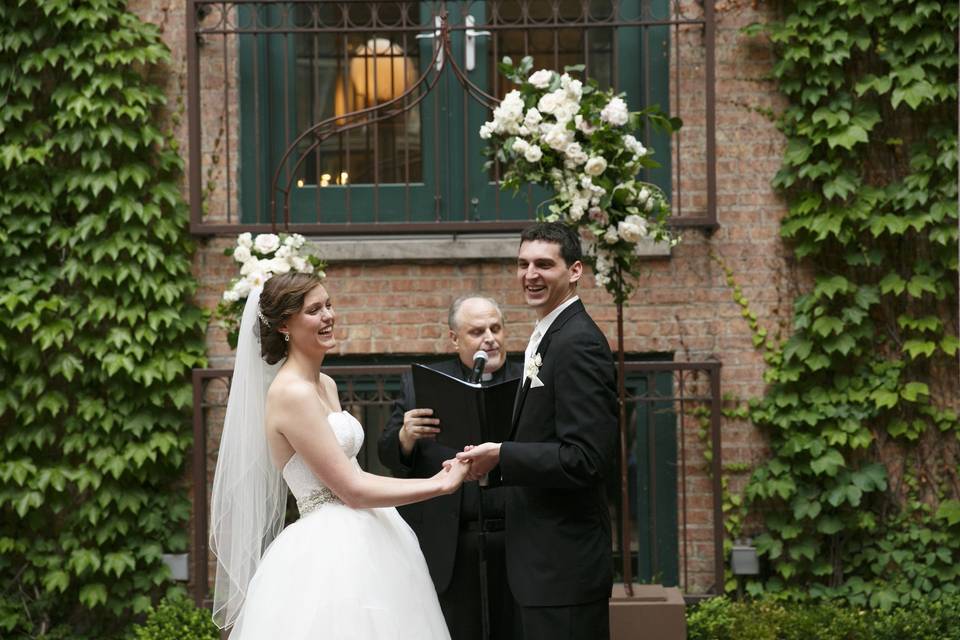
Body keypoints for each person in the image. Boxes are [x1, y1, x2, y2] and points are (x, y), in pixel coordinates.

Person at [209, 272, 471, 639]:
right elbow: (352, 490)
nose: (329, 315)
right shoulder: (291, 394)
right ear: (285, 324)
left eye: (329, 305)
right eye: (314, 310)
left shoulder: (326, 384)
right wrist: (438, 485)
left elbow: (354, 472)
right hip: (330, 553)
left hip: (372, 534)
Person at [456, 222, 618, 640]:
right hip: (540, 567)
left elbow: (587, 459)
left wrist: (504, 455)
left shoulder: (577, 341)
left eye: (544, 264)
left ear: (575, 270)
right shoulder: (547, 334)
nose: (530, 275)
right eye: (523, 263)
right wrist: (493, 468)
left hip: (565, 568)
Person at [378, 296, 523, 640]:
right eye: (477, 331)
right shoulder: (422, 384)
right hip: (451, 542)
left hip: (516, 537)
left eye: (496, 328)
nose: (490, 338)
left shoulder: (528, 380)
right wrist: (405, 437)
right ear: (454, 339)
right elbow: (387, 454)